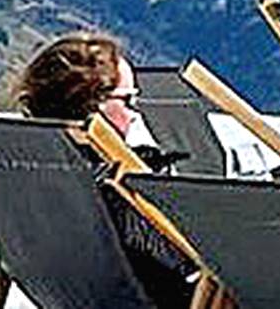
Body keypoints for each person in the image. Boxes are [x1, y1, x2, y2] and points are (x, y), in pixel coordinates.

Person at [13, 32, 196, 308]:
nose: (135, 114)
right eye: (128, 101)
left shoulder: (28, 173)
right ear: (94, 105)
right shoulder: (114, 189)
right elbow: (186, 261)